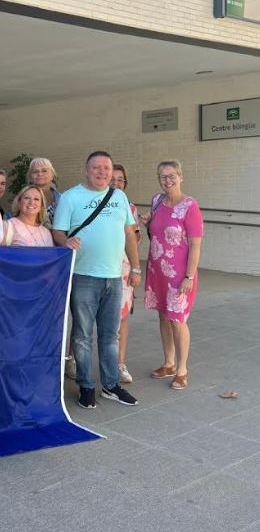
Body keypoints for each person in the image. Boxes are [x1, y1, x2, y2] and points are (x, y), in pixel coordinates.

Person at [52, 151, 141, 409]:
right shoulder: (70, 197)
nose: (102, 172)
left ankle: (111, 385)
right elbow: (58, 231)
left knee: (110, 335)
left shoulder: (119, 197)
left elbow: (129, 234)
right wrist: (66, 241)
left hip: (114, 277)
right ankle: (86, 386)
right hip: (83, 276)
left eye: (106, 168)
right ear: (87, 170)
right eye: (96, 167)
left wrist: (135, 268)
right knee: (82, 336)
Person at [141, 160, 203, 390]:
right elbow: (153, 231)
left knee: (177, 320)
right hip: (158, 270)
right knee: (163, 316)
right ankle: (168, 363)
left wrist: (189, 276)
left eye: (171, 176)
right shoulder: (157, 201)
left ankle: (182, 369)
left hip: (179, 274)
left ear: (180, 177)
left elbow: (195, 245)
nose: (167, 181)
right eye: (163, 177)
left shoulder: (190, 206)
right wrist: (145, 222)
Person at [111, 164, 140, 384]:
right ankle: (74, 359)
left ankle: (119, 363)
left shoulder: (130, 207)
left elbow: (135, 239)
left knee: (121, 317)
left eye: (120, 179)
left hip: (122, 267)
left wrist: (136, 269)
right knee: (86, 319)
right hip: (96, 267)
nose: (116, 183)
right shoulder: (92, 202)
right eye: (112, 179)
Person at [27, 158, 61, 226]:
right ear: (30, 177)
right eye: (35, 171)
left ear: (52, 175)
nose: (40, 174)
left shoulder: (62, 199)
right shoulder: (23, 199)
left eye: (44, 171)